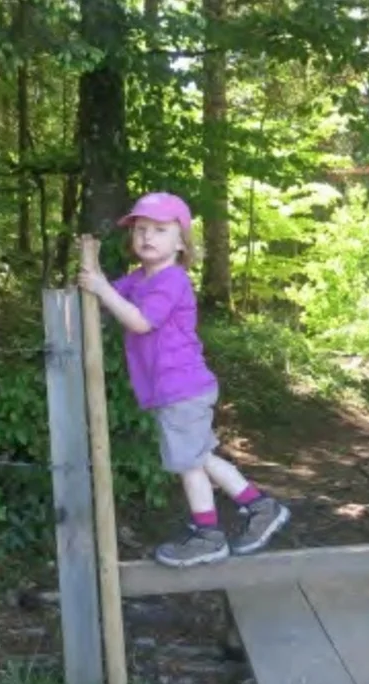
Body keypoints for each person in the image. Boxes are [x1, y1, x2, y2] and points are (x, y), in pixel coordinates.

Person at [77, 191, 290, 568]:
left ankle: (208, 534)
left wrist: (102, 288)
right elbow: (108, 299)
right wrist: (93, 284)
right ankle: (260, 507)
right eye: (141, 229)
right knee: (200, 457)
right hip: (173, 389)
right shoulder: (138, 278)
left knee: (189, 463)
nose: (147, 237)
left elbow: (140, 321)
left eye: (160, 230)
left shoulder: (172, 280)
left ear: (180, 242)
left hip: (181, 388)